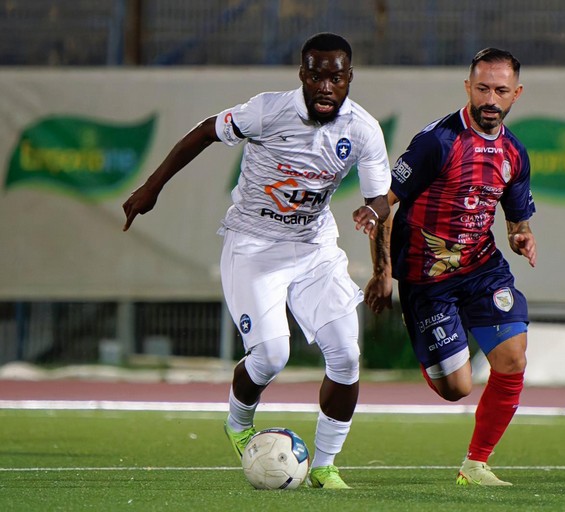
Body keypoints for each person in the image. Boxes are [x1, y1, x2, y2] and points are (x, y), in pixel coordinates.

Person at [122, 32, 391, 490]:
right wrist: (151, 187)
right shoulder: (268, 110)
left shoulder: (362, 130)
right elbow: (207, 130)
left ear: (349, 79)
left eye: (337, 77)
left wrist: (382, 264)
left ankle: (324, 466)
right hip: (252, 245)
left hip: (314, 248)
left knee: (346, 356)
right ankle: (237, 423)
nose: (327, 86)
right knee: (271, 355)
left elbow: (382, 200)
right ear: (303, 75)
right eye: (317, 75)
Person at [365, 48, 536, 486]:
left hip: (481, 269)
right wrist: (382, 271)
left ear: (516, 93)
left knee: (513, 359)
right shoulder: (437, 142)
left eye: (500, 90)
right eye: (482, 88)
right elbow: (387, 203)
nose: (490, 99)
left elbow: (517, 218)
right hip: (427, 278)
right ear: (468, 87)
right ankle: (430, 334)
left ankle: (476, 464)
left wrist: (521, 235)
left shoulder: (514, 153)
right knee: (455, 388)